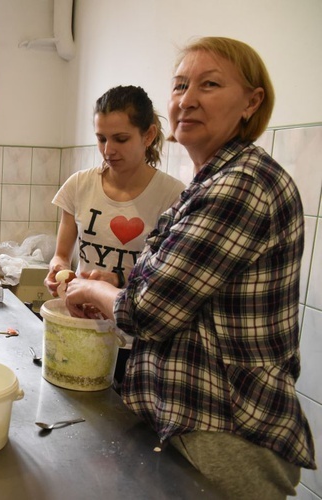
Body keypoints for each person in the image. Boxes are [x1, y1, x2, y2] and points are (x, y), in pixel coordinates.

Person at [63, 37, 316, 499]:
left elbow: (148, 313)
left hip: (227, 433)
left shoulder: (241, 184)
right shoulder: (211, 181)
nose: (188, 99)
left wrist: (91, 289)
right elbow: (183, 284)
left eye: (210, 84)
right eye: (180, 85)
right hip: (192, 422)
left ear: (251, 102)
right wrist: (115, 279)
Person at [45, 85, 185, 382]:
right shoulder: (79, 186)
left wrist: (119, 280)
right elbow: (62, 254)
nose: (108, 150)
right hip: (85, 327)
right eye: (101, 138)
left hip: (138, 341)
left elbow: (169, 280)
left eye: (121, 139)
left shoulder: (172, 195)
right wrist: (58, 269)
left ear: (147, 135)